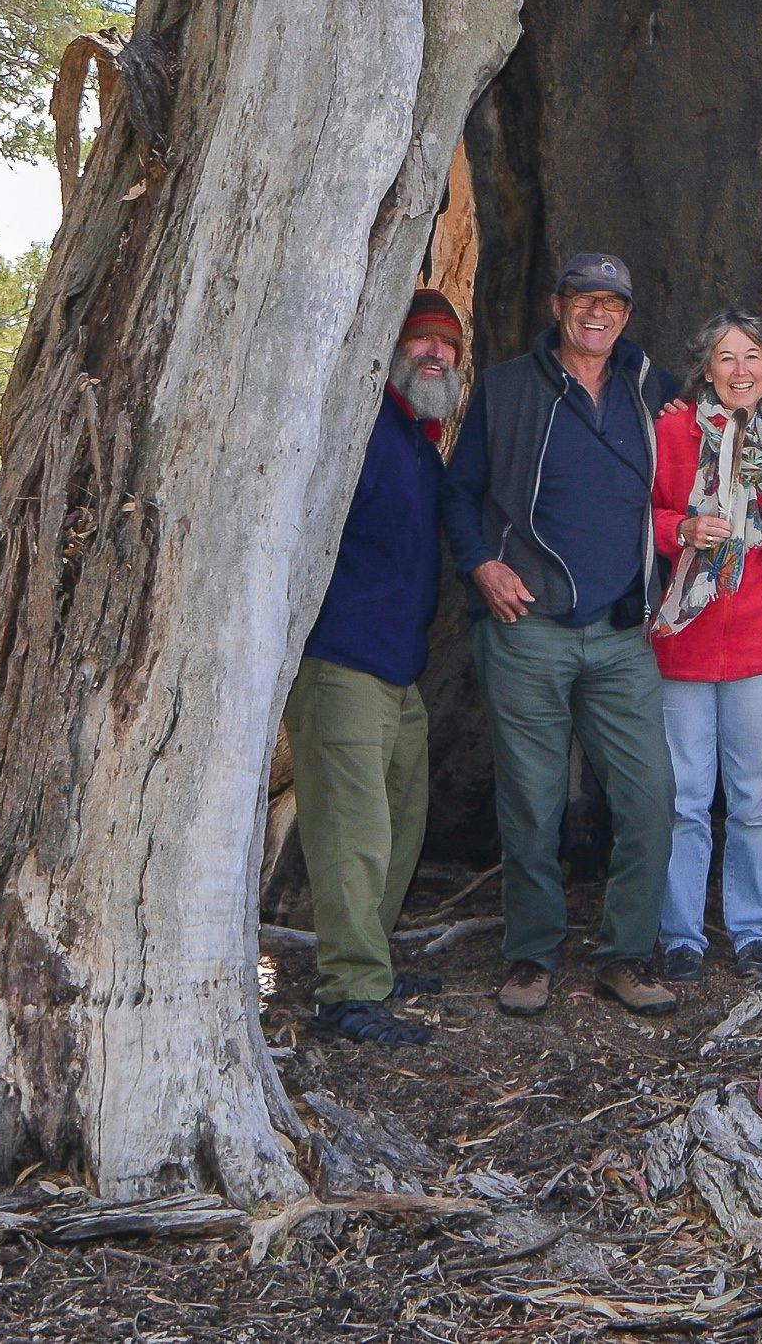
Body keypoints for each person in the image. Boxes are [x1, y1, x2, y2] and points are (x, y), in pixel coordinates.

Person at [440, 253, 687, 1018]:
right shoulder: (510, 388)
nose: (598, 313)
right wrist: (481, 564)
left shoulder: (654, 391)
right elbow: (459, 490)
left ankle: (625, 954)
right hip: (528, 629)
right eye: (585, 298)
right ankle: (531, 955)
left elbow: (734, 410)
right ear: (559, 304)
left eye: (613, 302)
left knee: (651, 797)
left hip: (621, 634)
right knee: (532, 802)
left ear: (627, 314)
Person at [282, 290, 467, 1047]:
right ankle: (346, 992)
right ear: (391, 351)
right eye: (420, 342)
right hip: (340, 662)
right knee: (351, 830)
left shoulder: (420, 444)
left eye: (446, 346)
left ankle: (372, 963)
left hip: (399, 669)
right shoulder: (358, 429)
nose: (434, 354)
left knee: (402, 815)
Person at [648, 308, 762, 985]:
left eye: (752, 357)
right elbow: (639, 509)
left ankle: (752, 931)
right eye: (726, 358)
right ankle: (680, 933)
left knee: (757, 799)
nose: (740, 370)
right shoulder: (672, 429)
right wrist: (681, 528)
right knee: (683, 797)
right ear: (705, 369)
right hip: (684, 638)